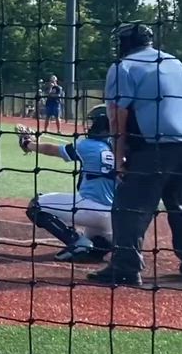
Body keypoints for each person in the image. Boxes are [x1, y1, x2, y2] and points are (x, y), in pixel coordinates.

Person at [88, 23, 182, 287]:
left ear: (126, 43)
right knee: (181, 204)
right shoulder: (174, 62)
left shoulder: (123, 67)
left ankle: (125, 268)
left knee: (129, 207)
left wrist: (118, 158)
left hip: (154, 148)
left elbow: (118, 116)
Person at [17, 105, 115, 263]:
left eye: (93, 122)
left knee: (36, 205)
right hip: (113, 216)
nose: (90, 126)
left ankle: (76, 241)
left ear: (100, 124)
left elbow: (51, 150)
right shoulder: (118, 147)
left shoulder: (88, 145)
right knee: (95, 244)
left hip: (91, 208)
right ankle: (101, 246)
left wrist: (29, 143)